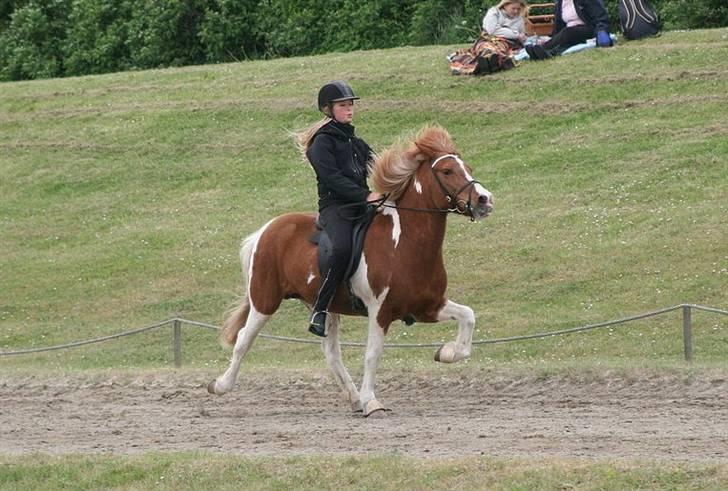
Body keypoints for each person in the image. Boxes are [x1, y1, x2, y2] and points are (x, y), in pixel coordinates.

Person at [298, 81, 382, 337]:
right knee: (342, 248)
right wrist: (366, 195)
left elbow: (378, 164)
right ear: (328, 109)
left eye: (350, 105)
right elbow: (334, 179)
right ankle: (320, 309)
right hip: (336, 208)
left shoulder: (356, 142)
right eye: (343, 106)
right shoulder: (321, 145)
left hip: (362, 205)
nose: (349, 110)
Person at [525, 0, 613, 60]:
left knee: (569, 32)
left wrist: (602, 31)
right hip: (570, 31)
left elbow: (601, 17)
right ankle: (548, 53)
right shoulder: (560, 3)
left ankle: (543, 49)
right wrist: (552, 38)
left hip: (589, 29)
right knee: (567, 35)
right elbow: (558, 26)